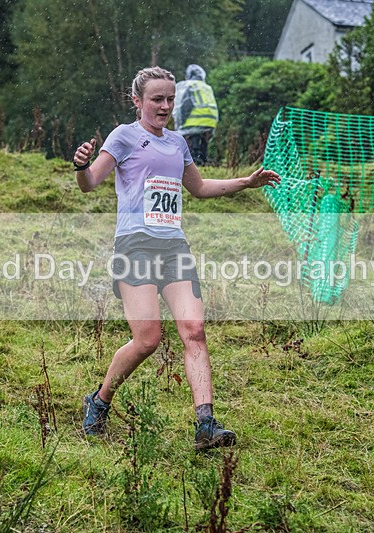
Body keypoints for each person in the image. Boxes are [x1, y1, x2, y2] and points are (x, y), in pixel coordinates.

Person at [74, 66, 280, 450]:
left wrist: (245, 183)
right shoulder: (124, 137)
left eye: (170, 99)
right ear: (137, 101)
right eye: (157, 99)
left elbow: (199, 187)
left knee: (194, 331)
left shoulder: (177, 142)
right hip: (134, 245)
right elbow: (90, 185)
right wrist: (81, 166)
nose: (165, 106)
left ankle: (206, 425)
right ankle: (99, 401)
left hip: (173, 247)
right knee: (147, 340)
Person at [173, 64, 218, 166]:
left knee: (193, 146)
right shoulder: (206, 87)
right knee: (203, 144)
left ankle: (195, 164)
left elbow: (186, 105)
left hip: (194, 121)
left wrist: (181, 123)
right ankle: (203, 162)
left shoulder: (189, 86)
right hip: (210, 121)